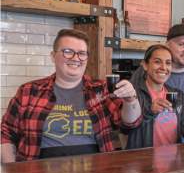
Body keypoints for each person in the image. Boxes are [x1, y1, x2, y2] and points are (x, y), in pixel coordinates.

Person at [1, 29, 141, 162]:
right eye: (68, 51)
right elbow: (6, 133)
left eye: (82, 53)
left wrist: (130, 100)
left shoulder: (101, 89)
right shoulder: (29, 91)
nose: (76, 58)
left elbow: (130, 123)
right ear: (53, 56)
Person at [125, 45, 184, 149]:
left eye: (168, 63)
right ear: (145, 65)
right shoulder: (133, 94)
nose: (163, 67)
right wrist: (149, 110)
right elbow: (126, 127)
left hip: (173, 160)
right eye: (157, 62)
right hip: (143, 160)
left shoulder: (178, 95)